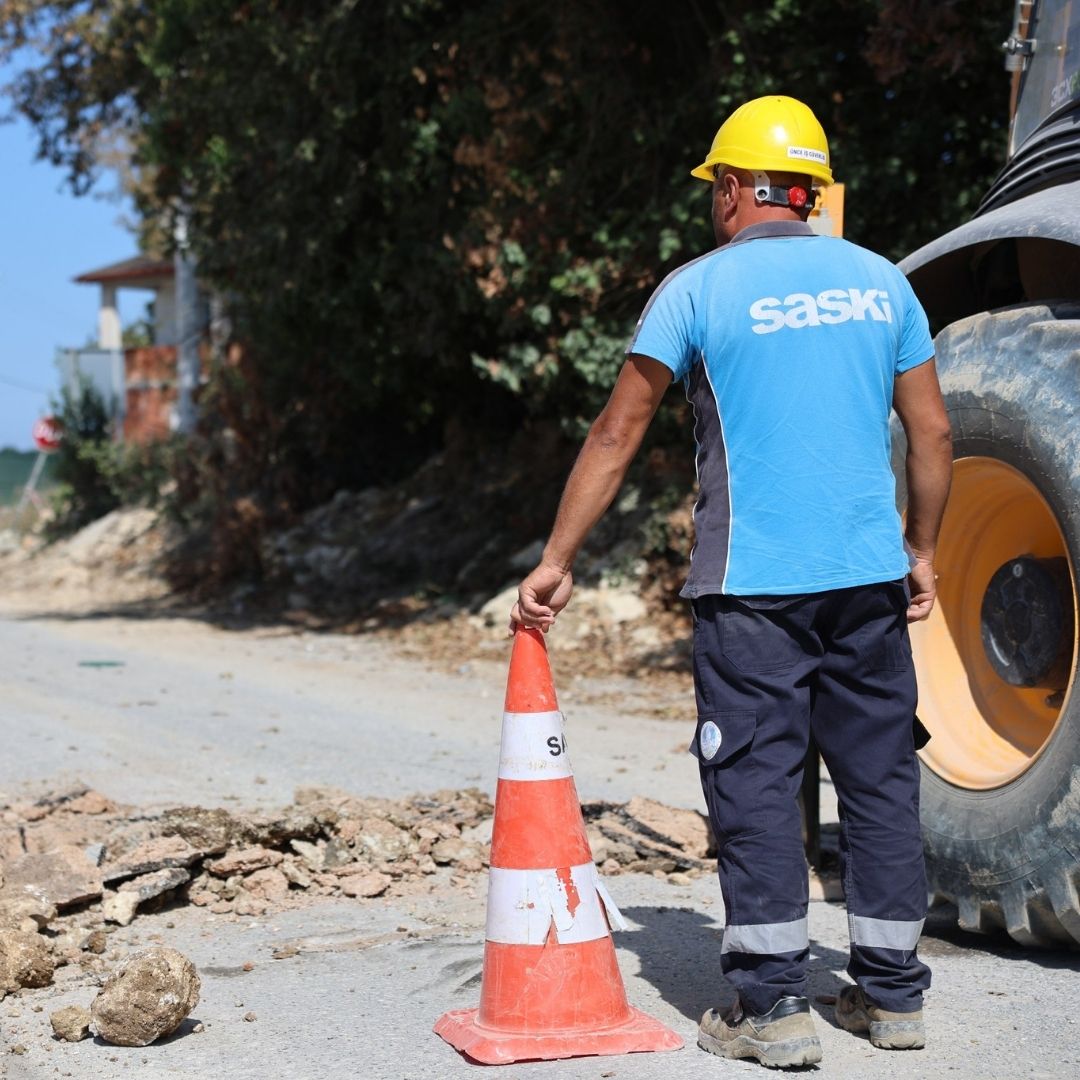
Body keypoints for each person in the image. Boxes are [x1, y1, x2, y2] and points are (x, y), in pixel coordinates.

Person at [511, 95, 953, 1067]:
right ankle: (893, 999)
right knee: (878, 781)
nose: (715, 202)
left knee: (753, 780)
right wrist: (921, 551)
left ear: (744, 190)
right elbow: (933, 432)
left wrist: (557, 559)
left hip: (752, 591)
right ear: (809, 192)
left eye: (718, 184)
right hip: (867, 585)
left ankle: (772, 1010)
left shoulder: (695, 290)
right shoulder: (885, 285)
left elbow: (618, 432)